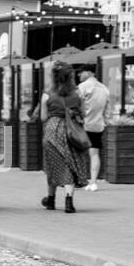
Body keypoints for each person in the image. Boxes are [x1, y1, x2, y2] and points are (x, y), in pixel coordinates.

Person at [40, 61, 91, 214]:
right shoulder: (78, 93)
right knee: (69, 165)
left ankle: (51, 199)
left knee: (52, 166)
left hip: (52, 131)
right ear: (70, 77)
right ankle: (69, 201)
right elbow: (84, 113)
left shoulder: (47, 94)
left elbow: (43, 117)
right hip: (72, 131)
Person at [77, 67, 110, 191]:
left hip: (82, 124)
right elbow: (107, 110)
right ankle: (93, 182)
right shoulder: (104, 89)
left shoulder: (82, 87)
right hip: (97, 125)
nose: (79, 74)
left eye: (81, 72)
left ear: (89, 73)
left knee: (78, 153)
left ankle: (79, 180)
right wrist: (105, 122)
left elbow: (77, 106)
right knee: (94, 154)